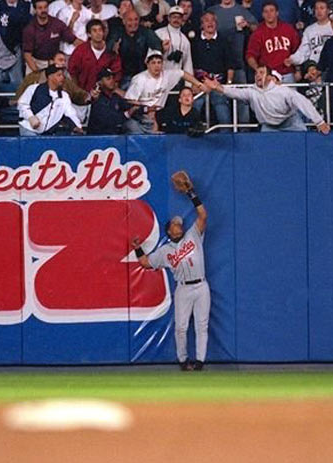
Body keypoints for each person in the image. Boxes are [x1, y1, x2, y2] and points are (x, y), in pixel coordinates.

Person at [131, 172, 210, 371]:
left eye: (179, 223)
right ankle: (183, 361)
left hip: (201, 285)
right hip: (183, 289)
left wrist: (191, 193)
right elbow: (145, 263)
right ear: (169, 230)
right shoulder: (164, 251)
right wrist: (137, 247)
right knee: (181, 327)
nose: (179, 224)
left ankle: (200, 362)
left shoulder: (193, 234)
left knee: (202, 325)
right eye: (175, 223)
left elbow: (203, 215)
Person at [204, 65, 331, 132]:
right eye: (256, 73)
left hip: (291, 123)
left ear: (270, 77)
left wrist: (319, 122)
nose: (258, 76)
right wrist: (217, 87)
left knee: (304, 145)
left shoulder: (283, 91)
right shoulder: (251, 92)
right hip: (269, 127)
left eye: (261, 73)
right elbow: (234, 92)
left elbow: (302, 102)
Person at [124, 49, 207, 132]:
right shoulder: (140, 79)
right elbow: (129, 101)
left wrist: (199, 84)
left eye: (159, 62)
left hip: (160, 114)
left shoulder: (167, 75)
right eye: (153, 63)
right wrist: (147, 109)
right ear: (147, 64)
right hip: (141, 115)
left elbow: (183, 74)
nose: (156, 66)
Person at [191, 11, 234, 128]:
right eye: (206, 20)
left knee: (224, 115)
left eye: (213, 20)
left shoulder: (224, 41)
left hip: (218, 84)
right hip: (199, 85)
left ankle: (227, 141)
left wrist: (228, 84)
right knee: (193, 110)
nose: (210, 23)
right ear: (201, 25)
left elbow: (230, 66)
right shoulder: (194, 42)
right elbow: (190, 65)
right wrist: (193, 84)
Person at [18, 65, 85, 135]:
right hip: (29, 129)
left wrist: (77, 126)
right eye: (59, 75)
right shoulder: (34, 88)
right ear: (50, 76)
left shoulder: (64, 96)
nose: (62, 78)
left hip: (48, 132)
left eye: (63, 75)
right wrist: (31, 117)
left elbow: (70, 113)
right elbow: (22, 104)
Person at [246, 1, 300, 82]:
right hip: (269, 76)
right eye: (266, 11)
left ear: (277, 13)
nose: (269, 14)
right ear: (262, 14)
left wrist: (298, 70)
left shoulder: (288, 29)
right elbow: (250, 56)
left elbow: (297, 50)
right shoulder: (258, 33)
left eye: (272, 10)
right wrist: (258, 70)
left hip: (287, 73)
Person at [22, 0, 82, 74]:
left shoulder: (57, 24)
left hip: (53, 62)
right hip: (36, 62)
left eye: (45, 7)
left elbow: (74, 40)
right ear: (35, 10)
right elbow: (27, 54)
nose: (43, 10)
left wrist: (91, 47)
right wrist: (36, 72)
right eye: (40, 8)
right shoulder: (29, 29)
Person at [108, 10, 163, 89]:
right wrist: (113, 48)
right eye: (130, 20)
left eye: (136, 19)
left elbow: (158, 48)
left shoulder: (146, 32)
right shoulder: (117, 33)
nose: (133, 23)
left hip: (143, 74)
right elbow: (108, 47)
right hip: (123, 76)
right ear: (124, 21)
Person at [15, 51, 91, 105]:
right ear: (51, 62)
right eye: (60, 60)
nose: (63, 63)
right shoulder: (33, 77)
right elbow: (20, 96)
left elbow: (78, 94)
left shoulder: (65, 81)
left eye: (65, 61)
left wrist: (89, 96)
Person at [69, 19, 123, 92]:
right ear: (89, 34)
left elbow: (117, 73)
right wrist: (78, 91)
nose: (98, 33)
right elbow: (73, 72)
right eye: (94, 31)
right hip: (85, 93)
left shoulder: (111, 51)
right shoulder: (80, 50)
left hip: (105, 95)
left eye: (100, 30)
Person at [87, 67, 141, 133]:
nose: (112, 81)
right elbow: (110, 120)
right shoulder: (97, 98)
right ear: (99, 82)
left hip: (114, 135)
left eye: (113, 78)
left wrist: (135, 107)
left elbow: (128, 104)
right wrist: (128, 113)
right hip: (99, 136)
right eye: (108, 79)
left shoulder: (115, 96)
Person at [286, 0, 333, 69]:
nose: (319, 11)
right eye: (316, 8)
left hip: (332, 67)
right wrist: (292, 59)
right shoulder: (309, 30)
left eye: (322, 8)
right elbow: (303, 52)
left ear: (328, 10)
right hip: (314, 68)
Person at [156, 6, 194, 75]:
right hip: (159, 75)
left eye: (179, 17)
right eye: (174, 17)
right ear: (169, 18)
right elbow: (150, 56)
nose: (176, 20)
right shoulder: (159, 33)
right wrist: (162, 50)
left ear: (182, 19)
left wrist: (188, 85)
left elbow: (188, 64)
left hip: (176, 78)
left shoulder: (185, 41)